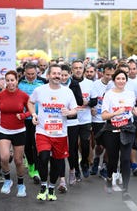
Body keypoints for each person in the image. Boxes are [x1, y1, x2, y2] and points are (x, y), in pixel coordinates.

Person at [28, 64, 78, 201]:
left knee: (57, 162)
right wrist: (33, 115)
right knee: (43, 157)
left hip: (60, 133)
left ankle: (51, 187)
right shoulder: (40, 90)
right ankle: (43, 185)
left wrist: (69, 112)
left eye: (59, 74)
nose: (57, 76)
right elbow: (30, 102)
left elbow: (75, 109)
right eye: (54, 73)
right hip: (43, 131)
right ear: (48, 75)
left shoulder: (67, 92)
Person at [100, 69, 137, 200]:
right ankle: (109, 178)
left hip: (127, 129)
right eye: (118, 79)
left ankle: (125, 190)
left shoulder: (130, 94)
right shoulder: (109, 94)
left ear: (126, 80)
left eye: (123, 79)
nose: (121, 81)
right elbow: (103, 115)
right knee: (113, 160)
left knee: (125, 159)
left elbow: (133, 109)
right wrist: (115, 113)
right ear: (114, 80)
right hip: (112, 130)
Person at [0, 70, 30, 197]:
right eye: (8, 80)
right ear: (5, 81)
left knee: (18, 161)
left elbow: (31, 111)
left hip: (19, 131)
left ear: (17, 81)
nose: (10, 83)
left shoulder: (23, 95)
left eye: (13, 80)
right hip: (4, 130)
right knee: (4, 157)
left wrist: (23, 115)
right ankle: (7, 180)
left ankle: (21, 185)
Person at [18, 62, 47, 184]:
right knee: (26, 144)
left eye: (33, 74)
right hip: (24, 119)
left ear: (37, 72)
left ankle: (36, 169)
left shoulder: (43, 82)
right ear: (24, 72)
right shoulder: (19, 82)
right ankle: (30, 163)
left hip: (38, 119)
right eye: (28, 74)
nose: (30, 76)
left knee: (37, 145)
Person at [57, 64, 84, 192]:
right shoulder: (53, 85)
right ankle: (61, 177)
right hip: (57, 121)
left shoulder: (74, 84)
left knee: (72, 149)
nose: (62, 78)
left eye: (65, 75)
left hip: (72, 121)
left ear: (69, 74)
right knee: (60, 148)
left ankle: (73, 169)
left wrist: (69, 106)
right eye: (60, 75)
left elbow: (79, 101)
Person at [71, 60, 98, 181]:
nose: (78, 70)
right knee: (73, 147)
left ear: (83, 70)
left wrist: (87, 103)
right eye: (75, 68)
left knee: (86, 145)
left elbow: (95, 101)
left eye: (80, 68)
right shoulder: (68, 83)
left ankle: (85, 163)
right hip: (71, 119)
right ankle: (76, 169)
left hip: (85, 119)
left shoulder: (90, 84)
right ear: (72, 70)